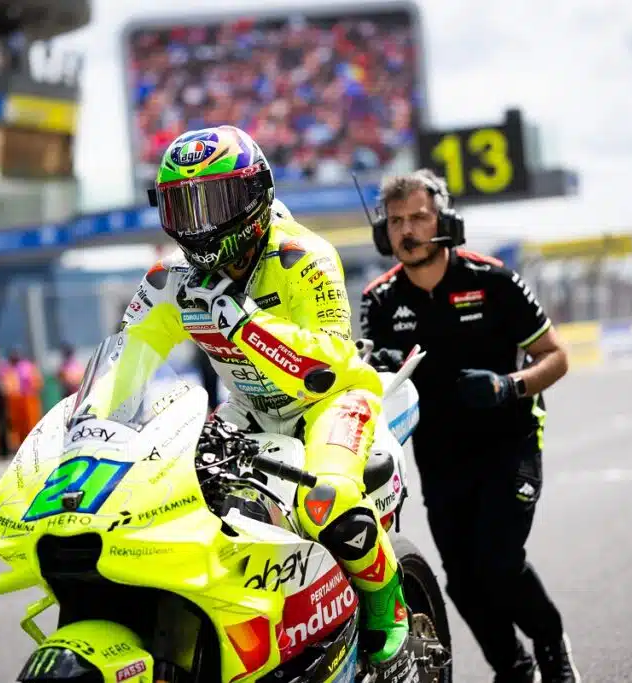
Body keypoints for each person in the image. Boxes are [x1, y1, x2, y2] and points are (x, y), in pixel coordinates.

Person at [113, 125, 419, 682]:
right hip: (248, 411)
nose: (200, 224)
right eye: (185, 206)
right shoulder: (170, 281)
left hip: (330, 402)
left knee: (327, 497)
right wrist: (95, 425)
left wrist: (244, 323)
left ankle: (387, 606)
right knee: (166, 497)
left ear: (256, 194)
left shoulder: (305, 256)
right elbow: (121, 366)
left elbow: (327, 363)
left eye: (215, 203)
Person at [358, 169, 578, 683]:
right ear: (384, 232)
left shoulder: (493, 280)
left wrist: (508, 385)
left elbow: (556, 356)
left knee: (498, 562)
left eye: (418, 217)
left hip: (510, 442)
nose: (407, 230)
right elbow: (370, 380)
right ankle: (512, 667)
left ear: (445, 221)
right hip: (439, 456)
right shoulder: (378, 300)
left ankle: (551, 645)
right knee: (461, 581)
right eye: (396, 221)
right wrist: (377, 369)